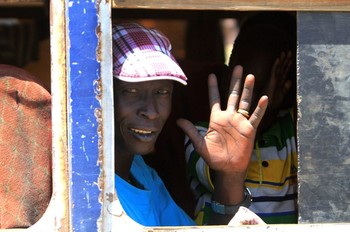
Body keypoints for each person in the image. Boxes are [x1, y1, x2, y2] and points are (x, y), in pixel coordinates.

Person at [112, 22, 268, 226]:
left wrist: (230, 175)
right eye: (131, 92)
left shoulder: (139, 172)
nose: (151, 112)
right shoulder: (86, 185)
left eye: (162, 92)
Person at [185, 12, 298, 225]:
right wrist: (259, 124)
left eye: (264, 89)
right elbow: (223, 166)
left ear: (286, 86)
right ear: (226, 75)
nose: (249, 100)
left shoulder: (293, 133)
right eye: (240, 83)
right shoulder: (202, 136)